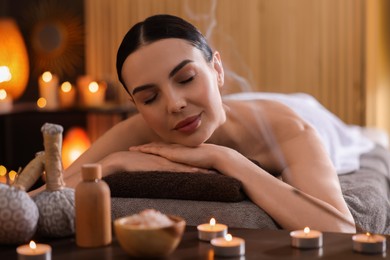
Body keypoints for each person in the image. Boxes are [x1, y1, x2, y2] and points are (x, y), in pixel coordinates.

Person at [31, 14, 356, 233]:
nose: (174, 104)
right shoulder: (136, 131)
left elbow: (339, 230)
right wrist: (113, 163)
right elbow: (42, 197)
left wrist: (226, 159)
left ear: (217, 69)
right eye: (149, 98)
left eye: (186, 78)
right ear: (136, 105)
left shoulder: (288, 128)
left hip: (311, 114)